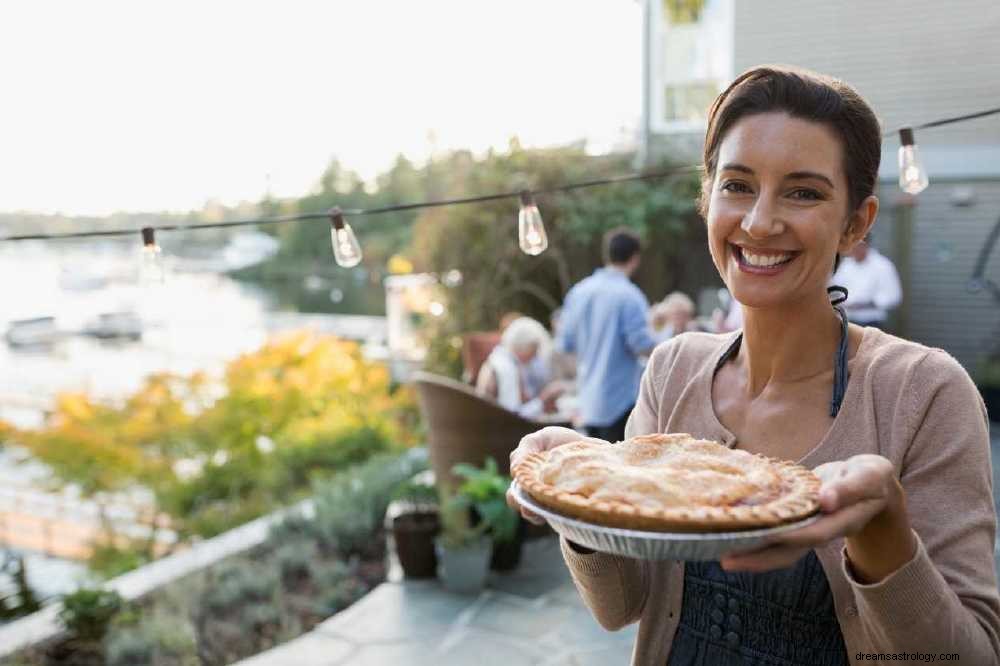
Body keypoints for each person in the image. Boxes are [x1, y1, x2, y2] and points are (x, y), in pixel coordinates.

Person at [508, 65, 1000, 664]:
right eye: (737, 185)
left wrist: (883, 534)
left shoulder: (922, 392)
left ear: (857, 222)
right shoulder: (673, 369)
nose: (759, 222)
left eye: (803, 192)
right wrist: (576, 492)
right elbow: (622, 605)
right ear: (707, 197)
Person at [555, 228, 658, 442]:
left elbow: (564, 343)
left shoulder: (578, 292)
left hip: (588, 400)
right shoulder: (629, 295)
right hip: (619, 402)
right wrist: (668, 343)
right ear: (635, 258)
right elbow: (640, 344)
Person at [475, 316, 563, 418]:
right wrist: (542, 401)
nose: (535, 357)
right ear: (524, 347)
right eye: (534, 350)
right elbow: (512, 416)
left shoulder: (502, 359)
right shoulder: (505, 367)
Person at [831, 239, 902, 328]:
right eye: (853, 246)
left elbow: (894, 296)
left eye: (858, 246)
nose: (855, 249)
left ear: (866, 245)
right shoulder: (846, 265)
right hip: (847, 320)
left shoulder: (883, 266)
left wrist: (865, 304)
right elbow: (834, 288)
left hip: (872, 322)